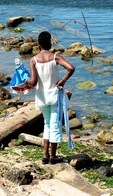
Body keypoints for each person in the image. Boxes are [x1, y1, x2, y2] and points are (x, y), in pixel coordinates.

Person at [26, 31, 75, 164]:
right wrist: (63, 80)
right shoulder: (55, 57)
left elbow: (34, 82)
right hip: (54, 97)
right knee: (55, 125)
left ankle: (45, 155)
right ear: (50, 43)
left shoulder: (34, 60)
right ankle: (53, 156)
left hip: (41, 97)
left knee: (47, 124)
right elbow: (71, 68)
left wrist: (25, 81)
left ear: (38, 44)